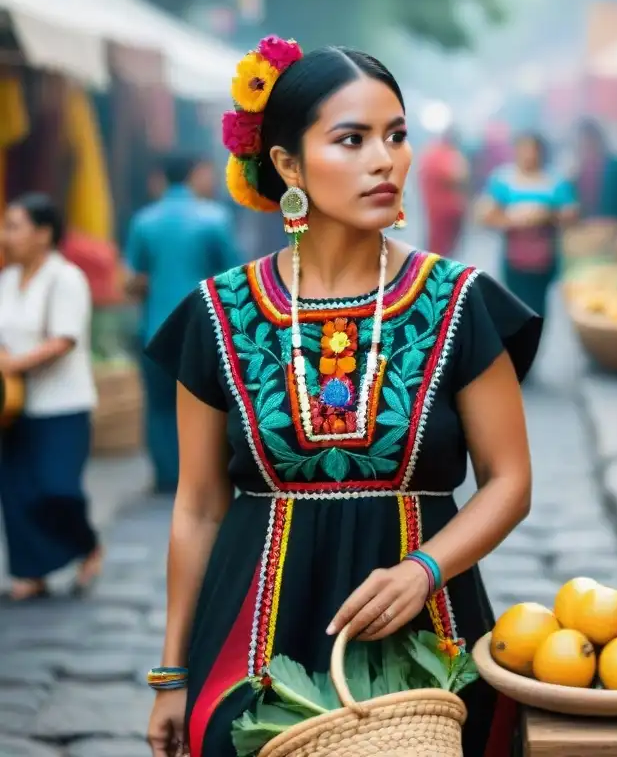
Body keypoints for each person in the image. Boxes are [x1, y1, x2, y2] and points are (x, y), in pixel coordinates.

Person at [144, 38, 539, 757]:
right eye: (351, 140)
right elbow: (197, 505)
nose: (384, 160)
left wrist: (425, 570)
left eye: (396, 135)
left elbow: (510, 482)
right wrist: (173, 673)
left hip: (429, 633)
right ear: (288, 164)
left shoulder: (459, 302)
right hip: (251, 633)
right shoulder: (218, 312)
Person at [0, 193, 102, 601]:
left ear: (44, 234)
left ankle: (87, 543)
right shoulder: (7, 279)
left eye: (14, 226)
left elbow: (64, 340)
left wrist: (14, 364)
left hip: (64, 405)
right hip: (14, 405)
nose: (5, 235)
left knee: (59, 488)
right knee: (17, 493)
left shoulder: (66, 277)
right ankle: (31, 572)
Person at [125, 152, 242, 494]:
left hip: (155, 328)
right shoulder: (215, 219)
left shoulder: (144, 220)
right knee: (210, 403)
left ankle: (166, 475)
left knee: (160, 405)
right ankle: (207, 472)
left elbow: (134, 278)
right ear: (195, 174)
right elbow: (233, 274)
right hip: (206, 328)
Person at [478, 132, 578, 318]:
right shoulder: (503, 179)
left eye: (533, 150)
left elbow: (571, 214)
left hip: (544, 260)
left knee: (537, 309)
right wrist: (512, 219)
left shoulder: (555, 181)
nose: (529, 155)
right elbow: (484, 214)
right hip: (514, 260)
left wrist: (546, 215)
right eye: (524, 149)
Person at [574, 119, 617, 226]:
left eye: (589, 140)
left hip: (615, 229)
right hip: (588, 229)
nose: (586, 145)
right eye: (582, 141)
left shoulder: (615, 168)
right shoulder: (579, 173)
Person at [419, 126, 468, 257]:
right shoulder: (445, 155)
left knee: (437, 245)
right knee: (442, 249)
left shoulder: (429, 153)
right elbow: (458, 175)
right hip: (447, 211)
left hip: (436, 209)